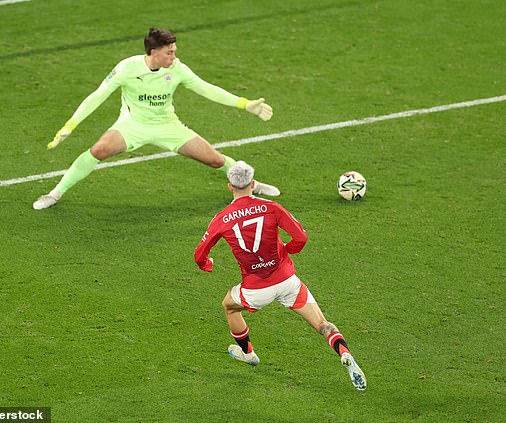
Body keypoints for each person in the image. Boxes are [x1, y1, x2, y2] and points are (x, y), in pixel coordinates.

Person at [33, 27, 280, 210]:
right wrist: (70, 125)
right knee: (98, 150)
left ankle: (251, 185)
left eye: (174, 51)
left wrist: (245, 104)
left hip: (167, 126)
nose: (173, 57)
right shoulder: (127, 68)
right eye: (169, 52)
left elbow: (206, 88)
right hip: (132, 126)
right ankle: (55, 193)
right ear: (154, 52)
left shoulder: (177, 69)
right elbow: (97, 96)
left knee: (215, 160)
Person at [194, 161, 367, 391]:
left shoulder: (221, 218)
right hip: (287, 281)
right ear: (253, 184)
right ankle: (343, 352)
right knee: (323, 324)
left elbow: (199, 255)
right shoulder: (271, 207)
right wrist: (287, 249)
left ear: (230, 187)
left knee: (229, 306)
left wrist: (207, 264)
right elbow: (301, 238)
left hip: (255, 288)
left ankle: (248, 354)